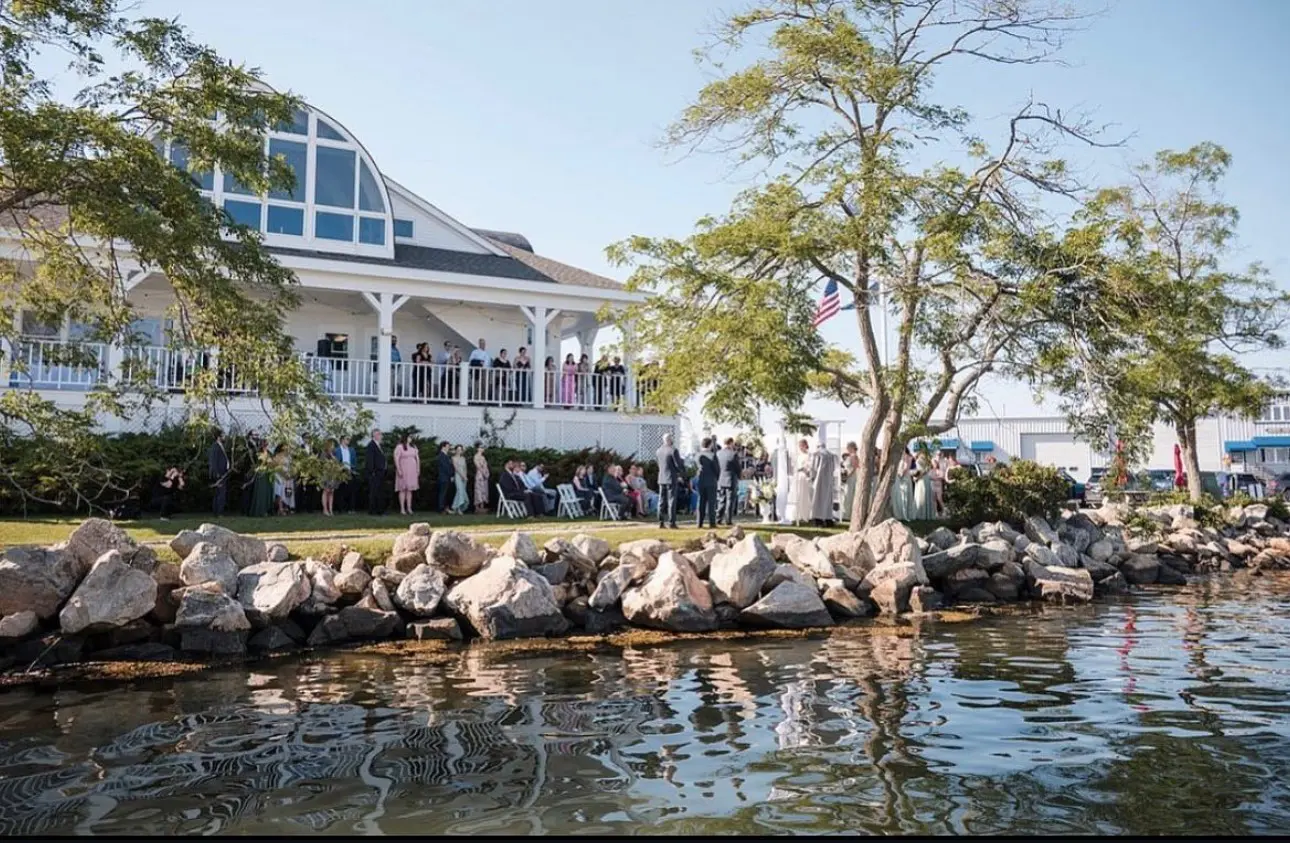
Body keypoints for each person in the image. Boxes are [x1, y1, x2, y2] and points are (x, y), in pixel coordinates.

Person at [655, 432, 684, 529]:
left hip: (661, 477)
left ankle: (660, 522)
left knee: (661, 501)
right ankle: (672, 522)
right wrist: (680, 472)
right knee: (671, 501)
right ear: (670, 440)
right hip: (671, 478)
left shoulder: (658, 451)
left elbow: (659, 464)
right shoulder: (673, 450)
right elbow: (678, 465)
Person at [809, 437, 839, 527]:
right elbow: (835, 467)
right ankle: (828, 518)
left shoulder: (817, 454)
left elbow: (814, 467)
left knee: (818, 498)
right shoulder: (831, 455)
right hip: (829, 479)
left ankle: (818, 519)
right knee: (827, 499)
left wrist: (812, 477)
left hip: (819, 479)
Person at [716, 437, 741, 526]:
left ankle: (718, 518)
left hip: (721, 479)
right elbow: (738, 467)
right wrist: (739, 476)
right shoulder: (733, 454)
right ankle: (728, 519)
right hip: (730, 479)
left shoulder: (718, 453)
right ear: (731, 443)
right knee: (730, 500)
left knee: (721, 500)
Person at [394, 433, 420, 515]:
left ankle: (409, 508)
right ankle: (402, 509)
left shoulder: (413, 447)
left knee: (409, 490)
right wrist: (399, 469)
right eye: (409, 437)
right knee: (402, 489)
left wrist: (418, 468)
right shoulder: (399, 447)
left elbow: (417, 458)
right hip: (403, 470)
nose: (410, 439)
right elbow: (396, 458)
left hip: (412, 471)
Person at [696, 437, 719, 528]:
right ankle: (712, 522)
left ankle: (699, 522)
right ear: (710, 445)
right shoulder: (712, 456)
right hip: (711, 481)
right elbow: (717, 469)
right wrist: (717, 478)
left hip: (700, 480)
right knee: (711, 503)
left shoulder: (697, 455)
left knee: (701, 501)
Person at [790, 438, 813, 526]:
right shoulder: (798, 455)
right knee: (797, 494)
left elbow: (809, 466)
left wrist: (805, 469)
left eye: (801, 445)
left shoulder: (809, 455)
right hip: (797, 475)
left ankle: (805, 514)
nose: (800, 447)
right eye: (799, 446)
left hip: (804, 476)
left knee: (804, 495)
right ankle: (797, 514)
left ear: (805, 445)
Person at [248, 440, 274, 517]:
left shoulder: (269, 453)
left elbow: (272, 462)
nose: (265, 446)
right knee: (260, 493)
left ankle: (266, 510)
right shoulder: (258, 453)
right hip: (260, 474)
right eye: (264, 444)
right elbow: (257, 463)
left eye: (266, 444)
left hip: (268, 474)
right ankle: (259, 511)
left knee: (267, 493)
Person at [208, 431, 229, 517]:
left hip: (223, 472)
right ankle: (219, 512)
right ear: (219, 437)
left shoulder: (221, 446)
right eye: (223, 436)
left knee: (219, 492)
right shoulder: (215, 446)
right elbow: (213, 461)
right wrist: (216, 473)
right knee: (220, 493)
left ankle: (218, 511)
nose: (224, 437)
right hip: (219, 473)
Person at [366, 430, 387, 516]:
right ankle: (373, 510)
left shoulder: (379, 445)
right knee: (374, 492)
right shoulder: (371, 445)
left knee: (379, 491)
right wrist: (372, 471)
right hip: (375, 472)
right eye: (379, 434)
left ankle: (379, 509)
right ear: (375, 435)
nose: (381, 436)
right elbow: (370, 459)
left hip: (380, 472)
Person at [272, 444, 295, 515]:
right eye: (285, 448)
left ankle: (287, 506)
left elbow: (291, 466)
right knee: (280, 492)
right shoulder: (277, 456)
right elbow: (276, 467)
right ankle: (280, 508)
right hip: (280, 476)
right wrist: (284, 475)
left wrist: (291, 474)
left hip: (288, 476)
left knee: (288, 492)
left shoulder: (289, 456)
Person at [840, 442, 860, 523]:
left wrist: (847, 476)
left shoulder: (854, 456)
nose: (847, 449)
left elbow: (855, 467)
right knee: (846, 495)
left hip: (851, 478)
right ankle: (846, 514)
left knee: (849, 495)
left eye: (848, 447)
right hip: (849, 477)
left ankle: (848, 515)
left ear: (851, 447)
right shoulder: (850, 456)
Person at [335, 436, 356, 513]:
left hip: (349, 471)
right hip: (340, 471)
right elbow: (335, 461)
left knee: (350, 490)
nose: (349, 440)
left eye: (349, 439)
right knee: (340, 490)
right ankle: (340, 509)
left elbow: (354, 460)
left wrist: (353, 469)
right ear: (342, 440)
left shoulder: (351, 450)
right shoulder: (337, 450)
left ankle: (350, 508)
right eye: (347, 439)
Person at [320, 439, 339, 517]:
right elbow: (322, 463)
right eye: (332, 445)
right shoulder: (323, 453)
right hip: (326, 474)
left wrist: (332, 455)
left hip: (333, 474)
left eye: (334, 445)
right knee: (326, 491)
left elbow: (337, 462)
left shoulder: (334, 453)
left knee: (331, 492)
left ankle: (331, 509)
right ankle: (325, 509)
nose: (333, 447)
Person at [436, 441, 454, 513]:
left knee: (446, 493)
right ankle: (441, 508)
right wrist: (451, 474)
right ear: (443, 447)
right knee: (443, 493)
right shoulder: (441, 456)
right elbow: (446, 467)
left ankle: (446, 507)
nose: (448, 448)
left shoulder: (446, 456)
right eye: (447, 446)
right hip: (443, 477)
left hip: (446, 477)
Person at [451, 444, 470, 514]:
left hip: (464, 476)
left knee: (461, 491)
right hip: (458, 476)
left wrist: (465, 476)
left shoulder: (463, 458)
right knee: (460, 490)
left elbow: (465, 468)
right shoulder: (453, 458)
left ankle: (455, 508)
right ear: (456, 450)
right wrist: (462, 476)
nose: (459, 451)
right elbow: (456, 468)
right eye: (458, 449)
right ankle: (458, 508)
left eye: (460, 450)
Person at [473, 444, 490, 513]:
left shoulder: (483, 457)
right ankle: (477, 507)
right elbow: (478, 466)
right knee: (478, 490)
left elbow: (486, 466)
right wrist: (483, 473)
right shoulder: (476, 456)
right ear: (478, 449)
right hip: (480, 475)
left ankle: (482, 507)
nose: (482, 449)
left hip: (484, 475)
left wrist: (486, 473)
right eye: (481, 448)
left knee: (484, 490)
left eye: (483, 448)